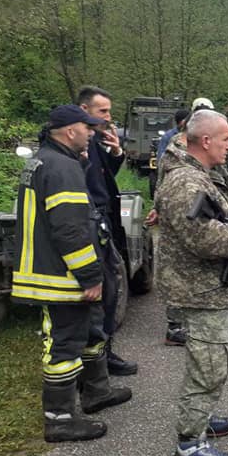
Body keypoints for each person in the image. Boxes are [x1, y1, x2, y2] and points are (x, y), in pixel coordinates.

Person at [155, 109, 228, 456]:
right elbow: (202, 236)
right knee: (208, 364)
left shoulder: (210, 173)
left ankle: (201, 417)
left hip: (213, 286)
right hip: (198, 288)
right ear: (205, 141)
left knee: (214, 358)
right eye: (225, 139)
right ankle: (189, 446)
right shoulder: (185, 182)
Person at [12, 105, 132, 443]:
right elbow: (70, 230)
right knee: (64, 345)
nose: (92, 133)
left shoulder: (48, 161)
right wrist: (90, 275)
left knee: (91, 331)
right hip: (59, 275)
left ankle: (96, 391)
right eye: (87, 127)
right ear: (68, 131)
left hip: (61, 270)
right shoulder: (61, 167)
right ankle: (60, 419)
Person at [77, 85, 138, 377]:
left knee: (110, 292)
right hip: (91, 226)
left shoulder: (93, 142)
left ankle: (105, 354)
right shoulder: (76, 145)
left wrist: (115, 153)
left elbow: (102, 179)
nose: (108, 116)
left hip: (103, 222)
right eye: (103, 111)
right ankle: (97, 362)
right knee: (101, 295)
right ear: (84, 110)